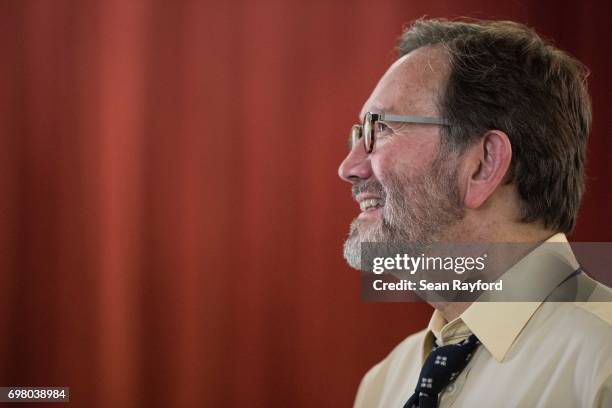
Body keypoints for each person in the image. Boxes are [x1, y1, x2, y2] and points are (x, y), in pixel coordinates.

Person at [338, 19, 612, 407]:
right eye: (358, 134)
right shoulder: (385, 383)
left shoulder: (603, 364)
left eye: (379, 130)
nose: (349, 167)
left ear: (483, 164)